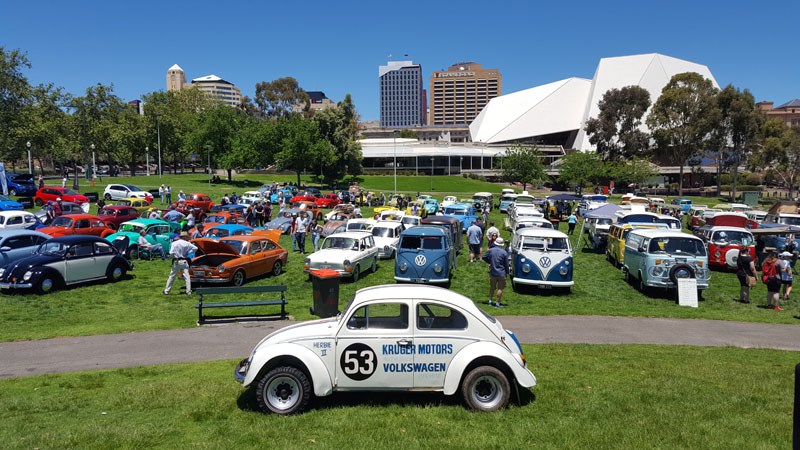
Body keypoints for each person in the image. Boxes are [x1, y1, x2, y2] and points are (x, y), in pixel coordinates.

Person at [482, 237, 509, 307]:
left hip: (493, 272)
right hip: (501, 272)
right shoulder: (504, 253)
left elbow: (484, 257)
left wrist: (490, 262)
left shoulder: (491, 250)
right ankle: (497, 303)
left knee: (492, 288)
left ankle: (490, 301)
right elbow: (506, 264)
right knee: (500, 288)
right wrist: (507, 272)